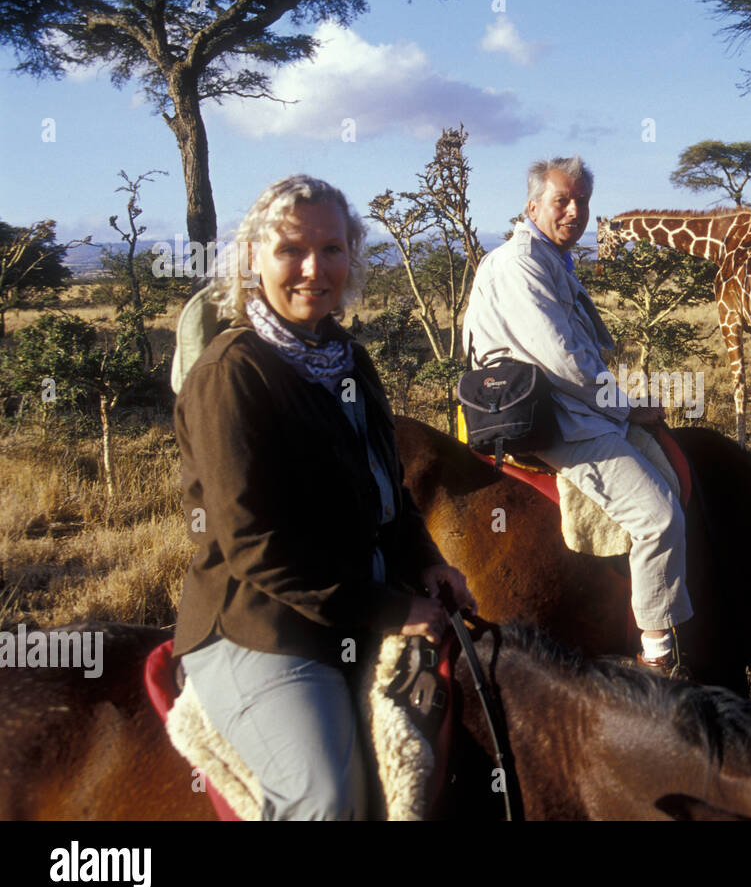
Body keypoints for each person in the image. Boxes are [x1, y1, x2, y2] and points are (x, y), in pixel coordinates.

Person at [172, 175, 475, 820]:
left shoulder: (347, 359)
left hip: (358, 604)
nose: (315, 269)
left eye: (333, 249)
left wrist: (426, 562)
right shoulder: (233, 374)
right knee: (323, 800)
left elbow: (386, 488)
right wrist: (391, 610)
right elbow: (255, 546)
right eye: (291, 250)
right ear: (253, 259)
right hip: (261, 627)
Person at [461, 156, 692, 675]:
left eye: (582, 201)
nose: (574, 211)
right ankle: (658, 655)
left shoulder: (552, 259)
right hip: (550, 415)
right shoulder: (521, 262)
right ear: (532, 205)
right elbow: (563, 357)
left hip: (570, 402)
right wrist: (624, 404)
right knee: (657, 518)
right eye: (561, 200)